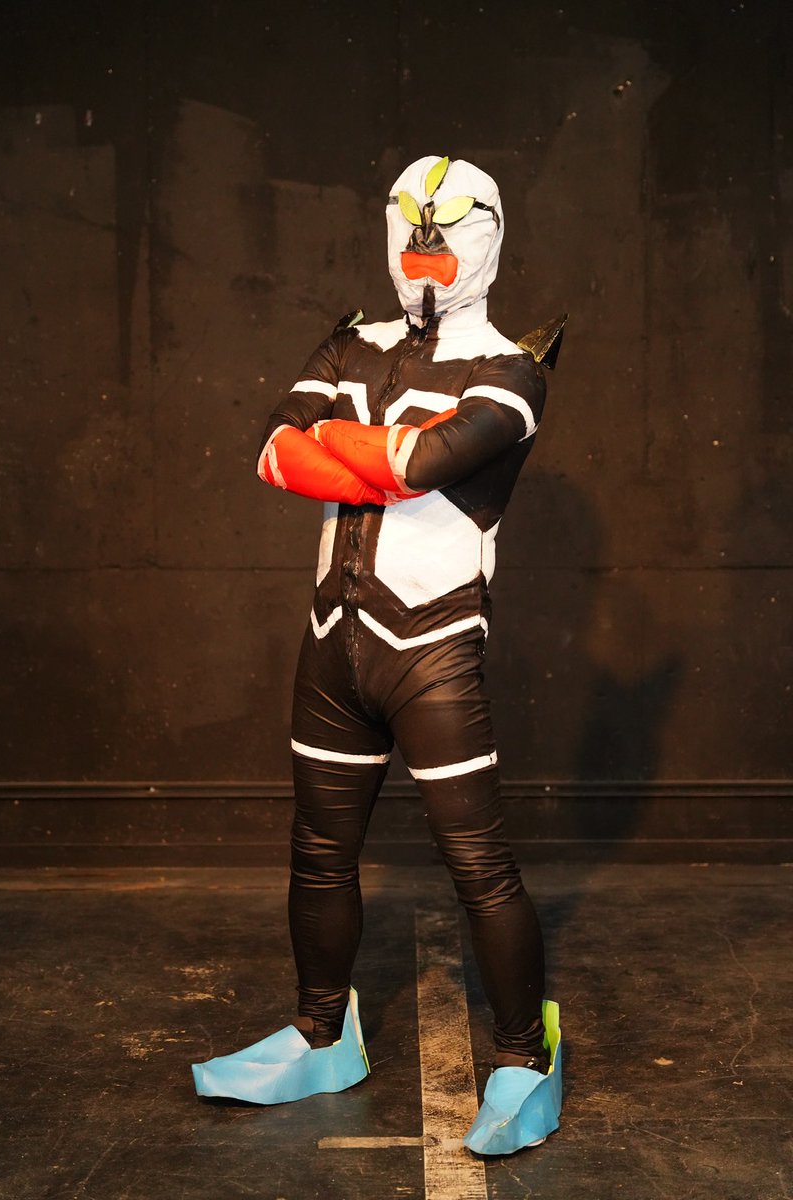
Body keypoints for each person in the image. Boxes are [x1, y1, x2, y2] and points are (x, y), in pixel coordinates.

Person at [192, 155, 563, 1155]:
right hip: (332, 644)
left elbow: (421, 462)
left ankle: (524, 1058)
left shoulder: (513, 370)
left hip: (431, 648)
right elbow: (274, 449)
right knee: (318, 853)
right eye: (411, 228)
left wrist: (354, 448)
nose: (426, 250)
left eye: (447, 230)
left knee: (478, 867)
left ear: (486, 235)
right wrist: (384, 462)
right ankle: (321, 1033)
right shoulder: (352, 340)